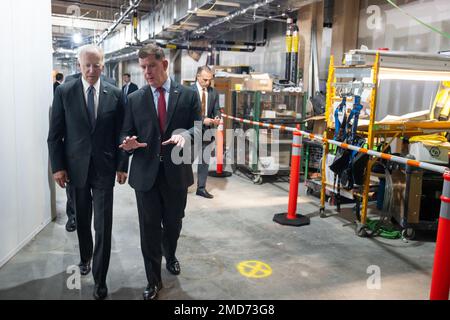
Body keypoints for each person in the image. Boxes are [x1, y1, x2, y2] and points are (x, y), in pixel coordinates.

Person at [119, 43, 201, 300]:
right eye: (143, 68)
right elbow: (125, 132)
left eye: (151, 66)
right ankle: (153, 280)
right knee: (149, 228)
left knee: (174, 224)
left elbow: (199, 128)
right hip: (145, 175)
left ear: (164, 64)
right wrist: (128, 144)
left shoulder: (187, 95)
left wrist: (186, 136)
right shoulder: (135, 99)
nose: (146, 72)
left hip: (177, 173)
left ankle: (171, 253)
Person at [47, 44, 128, 300]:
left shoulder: (115, 94)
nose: (92, 70)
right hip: (76, 169)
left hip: (104, 169)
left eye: (96, 65)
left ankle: (100, 278)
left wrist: (122, 165)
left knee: (103, 225)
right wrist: (58, 167)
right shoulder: (64, 92)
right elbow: (55, 135)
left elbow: (122, 134)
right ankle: (85, 257)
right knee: (82, 220)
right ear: (79, 66)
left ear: (103, 65)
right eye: (87, 65)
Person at [192, 66, 220, 199]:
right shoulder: (188, 92)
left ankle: (201, 188)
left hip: (208, 132)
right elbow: (187, 113)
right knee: (186, 160)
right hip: (192, 130)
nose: (208, 83)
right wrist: (203, 120)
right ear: (198, 77)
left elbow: (217, 109)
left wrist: (217, 117)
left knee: (204, 161)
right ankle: (180, 186)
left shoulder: (213, 92)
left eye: (210, 80)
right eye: (205, 79)